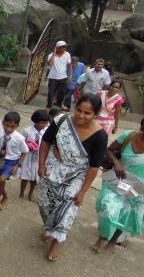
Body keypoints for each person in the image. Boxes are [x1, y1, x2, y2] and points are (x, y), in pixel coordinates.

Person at [38, 94, 108, 261]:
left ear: (96, 114)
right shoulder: (61, 121)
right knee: (45, 204)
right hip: (52, 168)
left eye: (87, 113)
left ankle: (56, 242)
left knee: (66, 210)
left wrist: (83, 191)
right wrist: (41, 164)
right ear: (74, 107)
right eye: (79, 110)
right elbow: (46, 142)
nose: (81, 116)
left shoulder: (100, 136)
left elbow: (93, 166)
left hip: (76, 176)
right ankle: (50, 228)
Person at [93, 119, 144, 252]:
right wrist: (116, 162)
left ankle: (113, 240)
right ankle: (103, 237)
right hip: (118, 181)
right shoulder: (129, 135)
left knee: (127, 212)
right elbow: (108, 150)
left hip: (138, 188)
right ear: (142, 125)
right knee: (108, 206)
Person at [0, 112, 28, 211]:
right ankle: (5, 195)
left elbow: (25, 152)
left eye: (12, 126)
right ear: (3, 123)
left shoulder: (19, 138)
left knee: (2, 179)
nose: (9, 129)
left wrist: (18, 165)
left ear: (17, 125)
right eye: (7, 125)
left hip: (11, 162)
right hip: (0, 160)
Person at [18, 109, 50, 201]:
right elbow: (22, 143)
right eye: (42, 123)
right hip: (28, 157)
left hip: (39, 158)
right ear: (35, 122)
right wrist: (28, 145)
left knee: (35, 178)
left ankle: (31, 192)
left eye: (45, 123)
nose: (44, 125)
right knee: (25, 176)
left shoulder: (46, 132)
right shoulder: (27, 131)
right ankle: (21, 192)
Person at [46, 40, 72, 108]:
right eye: (63, 47)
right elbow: (50, 64)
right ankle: (49, 105)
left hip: (63, 77)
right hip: (53, 77)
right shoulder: (51, 55)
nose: (64, 48)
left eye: (65, 47)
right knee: (51, 92)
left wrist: (70, 75)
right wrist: (54, 53)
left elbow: (69, 65)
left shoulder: (67, 54)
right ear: (58, 48)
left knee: (62, 92)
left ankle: (59, 104)